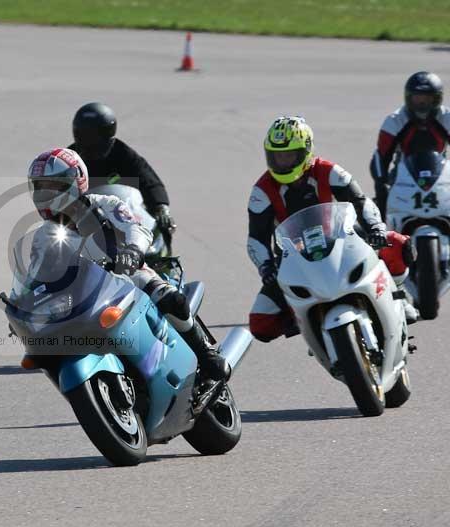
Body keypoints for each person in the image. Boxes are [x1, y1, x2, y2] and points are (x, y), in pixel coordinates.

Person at [25, 147, 229, 380]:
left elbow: (137, 227)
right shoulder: (43, 236)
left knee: (171, 299)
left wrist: (132, 250)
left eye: (52, 186)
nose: (45, 194)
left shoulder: (104, 205)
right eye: (40, 187)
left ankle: (205, 352)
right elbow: (37, 276)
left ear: (75, 181)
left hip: (128, 276)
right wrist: (25, 305)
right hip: (84, 296)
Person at [247, 116, 417, 342]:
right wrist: (266, 267)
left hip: (340, 240)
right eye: (277, 156)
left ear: (306, 151)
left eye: (289, 155)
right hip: (292, 257)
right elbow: (256, 239)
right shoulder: (262, 190)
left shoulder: (329, 170)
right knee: (260, 324)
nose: (282, 162)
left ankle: (399, 293)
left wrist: (376, 228)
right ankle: (304, 318)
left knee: (397, 243)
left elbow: (361, 201)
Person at [68, 102, 176, 235]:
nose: (92, 142)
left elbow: (148, 180)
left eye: (97, 136)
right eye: (86, 135)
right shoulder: (68, 159)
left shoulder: (123, 154)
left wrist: (161, 207)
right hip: (81, 227)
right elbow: (52, 189)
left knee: (161, 235)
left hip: (123, 220)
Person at [370, 71, 450, 217]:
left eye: (427, 98)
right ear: (408, 98)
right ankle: (382, 232)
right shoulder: (395, 120)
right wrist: (381, 184)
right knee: (381, 194)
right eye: (417, 98)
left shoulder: (447, 117)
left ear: (437, 99)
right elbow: (381, 157)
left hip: (442, 174)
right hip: (402, 174)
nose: (422, 103)